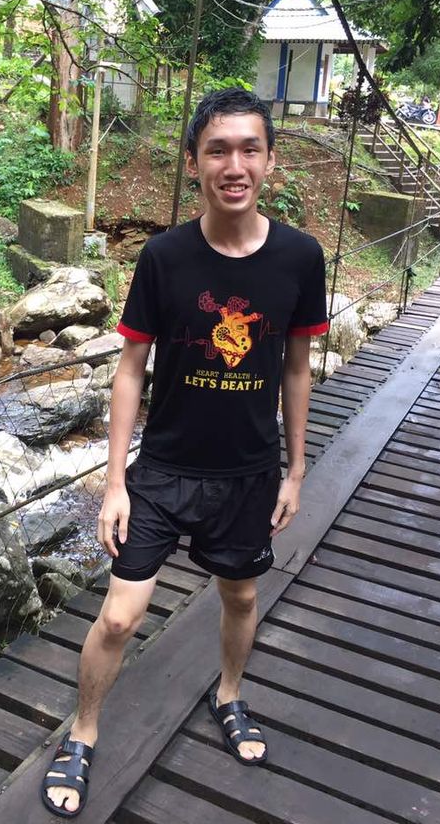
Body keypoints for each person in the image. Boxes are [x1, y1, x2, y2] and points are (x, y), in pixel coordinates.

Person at [41, 88, 328, 818]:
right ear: (195, 162)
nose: (235, 165)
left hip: (249, 472)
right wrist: (115, 483)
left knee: (241, 596)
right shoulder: (164, 258)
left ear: (269, 160)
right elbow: (130, 371)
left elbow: (296, 368)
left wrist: (295, 470)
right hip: (164, 471)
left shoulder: (300, 257)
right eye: (217, 150)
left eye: (249, 149)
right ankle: (83, 731)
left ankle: (229, 694)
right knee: (117, 618)